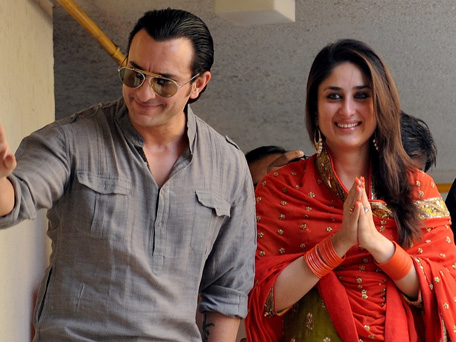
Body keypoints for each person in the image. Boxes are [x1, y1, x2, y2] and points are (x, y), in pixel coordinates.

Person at [0, 8, 256, 342]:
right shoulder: (72, 139)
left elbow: (226, 290)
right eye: (134, 74)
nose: (144, 93)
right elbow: (16, 197)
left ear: (198, 85)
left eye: (163, 83)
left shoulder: (229, 166)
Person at [245, 39, 456, 342]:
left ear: (380, 104)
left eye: (361, 96)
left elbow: (445, 289)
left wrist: (376, 244)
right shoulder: (280, 188)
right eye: (333, 96)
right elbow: (263, 299)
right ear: (315, 108)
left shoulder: (417, 187)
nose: (347, 110)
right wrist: (338, 244)